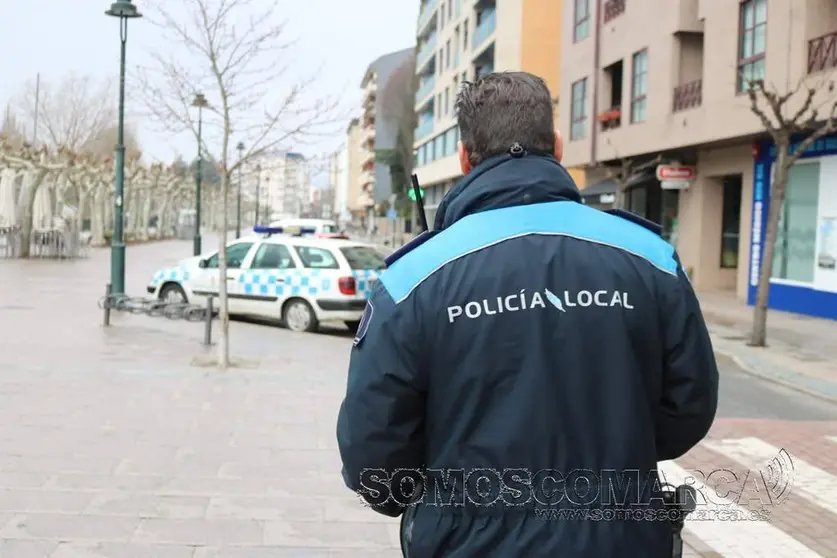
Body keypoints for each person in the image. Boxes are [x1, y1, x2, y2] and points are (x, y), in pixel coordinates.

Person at [336, 72, 718, 558]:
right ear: (557, 145)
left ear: (463, 157)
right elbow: (689, 407)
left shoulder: (412, 280)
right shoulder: (650, 258)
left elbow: (374, 451)